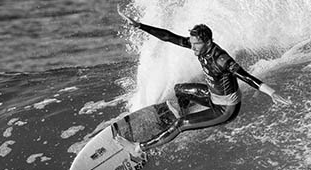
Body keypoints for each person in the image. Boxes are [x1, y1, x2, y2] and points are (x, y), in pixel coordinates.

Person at [117, 8, 290, 154]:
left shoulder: (221, 60)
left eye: (196, 44)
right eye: (191, 43)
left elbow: (246, 76)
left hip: (224, 110)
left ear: (207, 42)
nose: (192, 47)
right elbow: (169, 37)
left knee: (181, 125)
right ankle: (184, 112)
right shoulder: (199, 48)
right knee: (180, 89)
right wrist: (139, 26)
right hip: (212, 96)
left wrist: (271, 92)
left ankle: (138, 148)